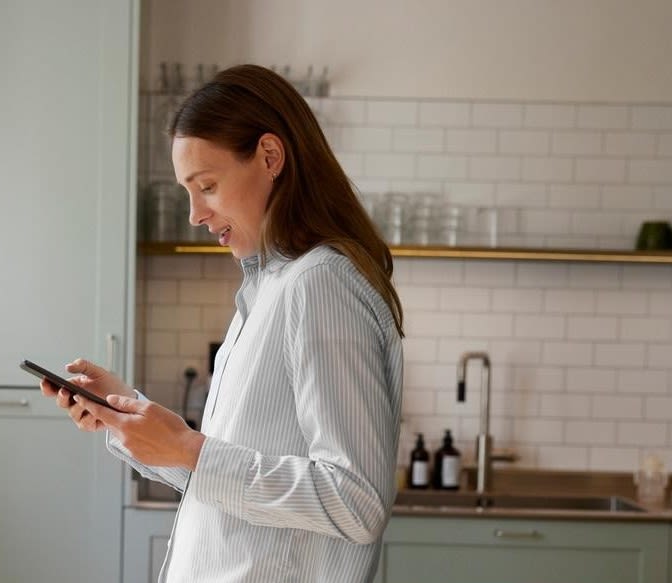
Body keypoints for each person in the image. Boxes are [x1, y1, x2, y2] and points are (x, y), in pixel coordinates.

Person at [38, 64, 405, 583]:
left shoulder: (320, 284)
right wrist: (127, 417)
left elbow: (355, 502)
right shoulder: (267, 287)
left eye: (206, 185)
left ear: (270, 157)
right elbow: (223, 480)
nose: (194, 213)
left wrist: (190, 448)